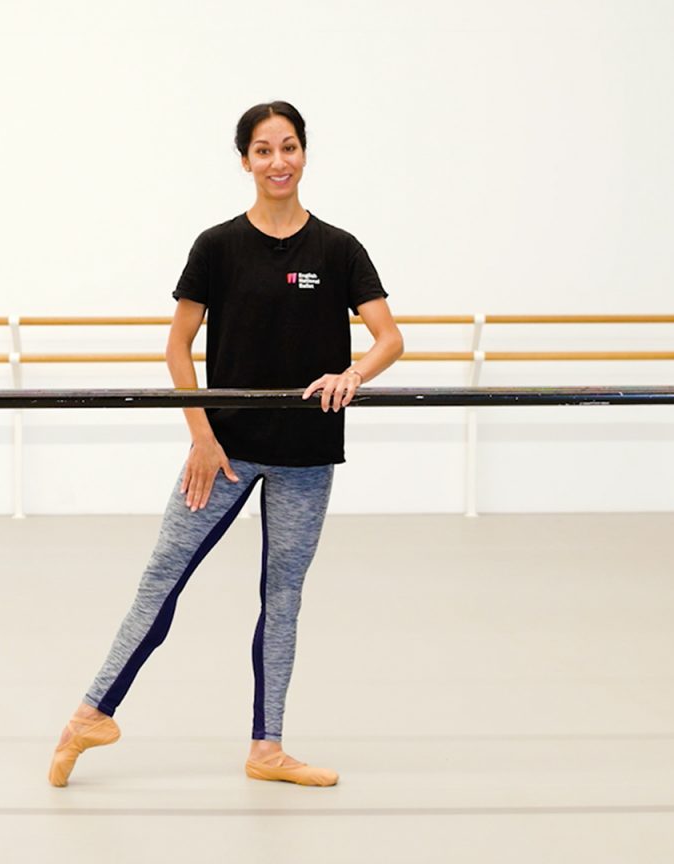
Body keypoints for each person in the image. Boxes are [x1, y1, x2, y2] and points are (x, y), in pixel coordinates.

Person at [50, 101, 403, 788]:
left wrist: (353, 372)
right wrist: (203, 436)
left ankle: (267, 747)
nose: (279, 161)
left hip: (306, 453)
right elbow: (178, 345)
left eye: (290, 147)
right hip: (227, 450)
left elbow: (389, 337)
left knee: (284, 595)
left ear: (305, 155)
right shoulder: (217, 246)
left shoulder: (338, 249)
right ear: (245, 160)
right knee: (162, 576)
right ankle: (90, 713)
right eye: (264, 150)